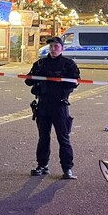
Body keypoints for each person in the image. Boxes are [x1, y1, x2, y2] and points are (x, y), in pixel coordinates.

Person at [24, 36, 81, 179]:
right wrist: (37, 75)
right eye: (51, 47)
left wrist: (58, 81)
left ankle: (67, 168)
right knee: (43, 137)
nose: (53, 49)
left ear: (62, 48)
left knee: (63, 137)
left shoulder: (68, 64)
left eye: (56, 46)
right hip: (43, 105)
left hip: (59, 105)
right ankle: (42, 165)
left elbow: (75, 82)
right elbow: (28, 81)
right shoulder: (40, 64)